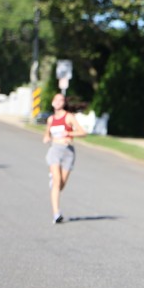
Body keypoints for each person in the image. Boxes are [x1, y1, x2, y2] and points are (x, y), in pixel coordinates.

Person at [42, 93, 87, 223]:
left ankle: (54, 182)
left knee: (61, 185)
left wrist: (69, 133)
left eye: (60, 100)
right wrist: (47, 138)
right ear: (52, 102)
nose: (57, 102)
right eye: (55, 99)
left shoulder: (69, 117)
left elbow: (83, 132)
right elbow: (47, 134)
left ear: (64, 103)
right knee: (56, 183)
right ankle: (56, 214)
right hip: (55, 150)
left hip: (68, 152)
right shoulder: (51, 119)